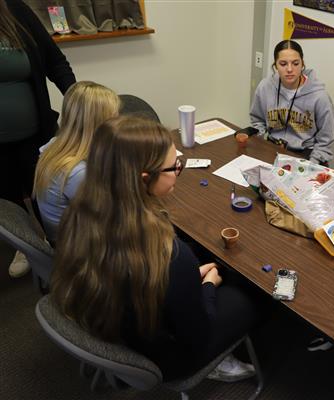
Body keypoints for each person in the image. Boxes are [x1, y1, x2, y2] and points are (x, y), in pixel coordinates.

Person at [50, 116, 259, 382]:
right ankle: (220, 361)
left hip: (115, 325)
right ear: (144, 178)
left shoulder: (78, 215)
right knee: (245, 296)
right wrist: (207, 286)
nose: (178, 170)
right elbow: (197, 336)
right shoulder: (171, 256)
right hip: (166, 358)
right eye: (174, 167)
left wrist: (185, 283)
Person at [1, 0, 76, 277]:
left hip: (36, 135)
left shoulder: (16, 10)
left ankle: (59, 246)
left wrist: (77, 99)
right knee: (9, 197)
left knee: (46, 192)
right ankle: (26, 245)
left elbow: (55, 61)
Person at [33, 81, 120, 243]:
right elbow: (115, 217)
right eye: (114, 117)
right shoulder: (77, 172)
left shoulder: (55, 145)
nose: (118, 122)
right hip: (80, 248)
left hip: (68, 235)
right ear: (98, 124)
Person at [250, 39, 334, 165]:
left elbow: (325, 141)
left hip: (306, 156)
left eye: (295, 63)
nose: (289, 69)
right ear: (275, 65)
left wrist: (311, 164)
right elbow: (257, 121)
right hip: (272, 149)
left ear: (302, 64)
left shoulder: (320, 97)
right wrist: (261, 146)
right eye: (283, 64)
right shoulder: (265, 87)